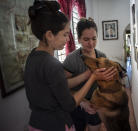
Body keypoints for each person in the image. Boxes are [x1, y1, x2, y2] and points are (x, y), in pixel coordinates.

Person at [25, 1, 116, 131]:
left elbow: (55, 88)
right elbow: (68, 100)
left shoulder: (32, 56)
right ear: (50, 35)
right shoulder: (57, 63)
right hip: (59, 122)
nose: (68, 39)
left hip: (38, 122)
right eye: (65, 34)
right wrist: (91, 79)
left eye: (94, 38)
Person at [63, 18, 108, 131]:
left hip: (96, 106)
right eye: (86, 39)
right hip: (77, 105)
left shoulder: (102, 57)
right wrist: (83, 102)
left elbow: (106, 83)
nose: (91, 43)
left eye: (94, 38)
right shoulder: (71, 59)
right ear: (79, 39)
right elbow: (63, 86)